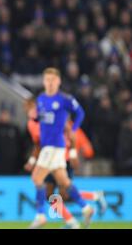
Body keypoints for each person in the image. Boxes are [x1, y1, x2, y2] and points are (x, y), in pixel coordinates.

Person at [28, 68, 95, 229]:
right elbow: (43, 118)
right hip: (50, 147)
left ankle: (40, 216)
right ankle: (86, 208)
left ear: (58, 82)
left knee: (37, 179)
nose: (50, 83)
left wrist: (72, 131)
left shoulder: (64, 99)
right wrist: (36, 117)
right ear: (44, 82)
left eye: (53, 80)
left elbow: (80, 113)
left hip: (54, 146)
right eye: (47, 80)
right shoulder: (41, 99)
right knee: (64, 181)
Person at [24, 98, 107, 229]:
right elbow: (38, 143)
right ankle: (73, 219)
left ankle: (91, 200)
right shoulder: (32, 124)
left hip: (63, 159)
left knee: (63, 194)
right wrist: (32, 160)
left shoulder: (52, 118)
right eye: (29, 110)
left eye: (33, 109)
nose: (31, 112)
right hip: (49, 158)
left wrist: (74, 154)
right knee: (49, 195)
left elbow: (74, 137)